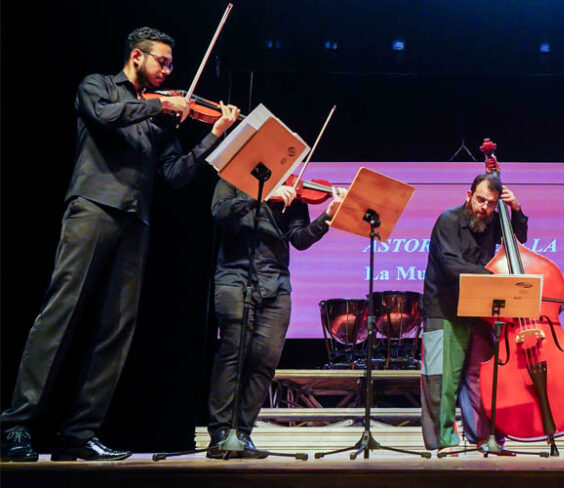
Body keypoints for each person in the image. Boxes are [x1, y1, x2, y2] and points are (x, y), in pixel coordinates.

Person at [0, 27, 239, 462]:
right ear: (136, 56)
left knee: (116, 330)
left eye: (170, 64)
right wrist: (160, 104)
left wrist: (213, 135)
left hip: (137, 221)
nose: (168, 71)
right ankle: (17, 425)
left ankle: (80, 432)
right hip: (92, 207)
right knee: (61, 315)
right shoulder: (99, 87)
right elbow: (106, 115)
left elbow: (176, 174)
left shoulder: (158, 118)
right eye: (161, 62)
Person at [206, 180, 345, 458]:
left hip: (277, 283)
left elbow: (300, 238)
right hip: (235, 277)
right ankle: (221, 433)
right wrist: (262, 196)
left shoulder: (294, 192)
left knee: (265, 361)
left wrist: (327, 217)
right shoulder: (232, 177)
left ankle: (243, 434)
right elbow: (220, 212)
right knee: (234, 353)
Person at [420, 174, 526, 454]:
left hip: (478, 308)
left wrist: (515, 210)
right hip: (443, 308)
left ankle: (484, 438)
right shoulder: (449, 220)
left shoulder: (491, 222)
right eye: (480, 200)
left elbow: (518, 240)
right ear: (469, 194)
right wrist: (492, 277)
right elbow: (450, 264)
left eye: (491, 204)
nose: (484, 207)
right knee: (441, 379)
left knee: (482, 377)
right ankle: (443, 441)